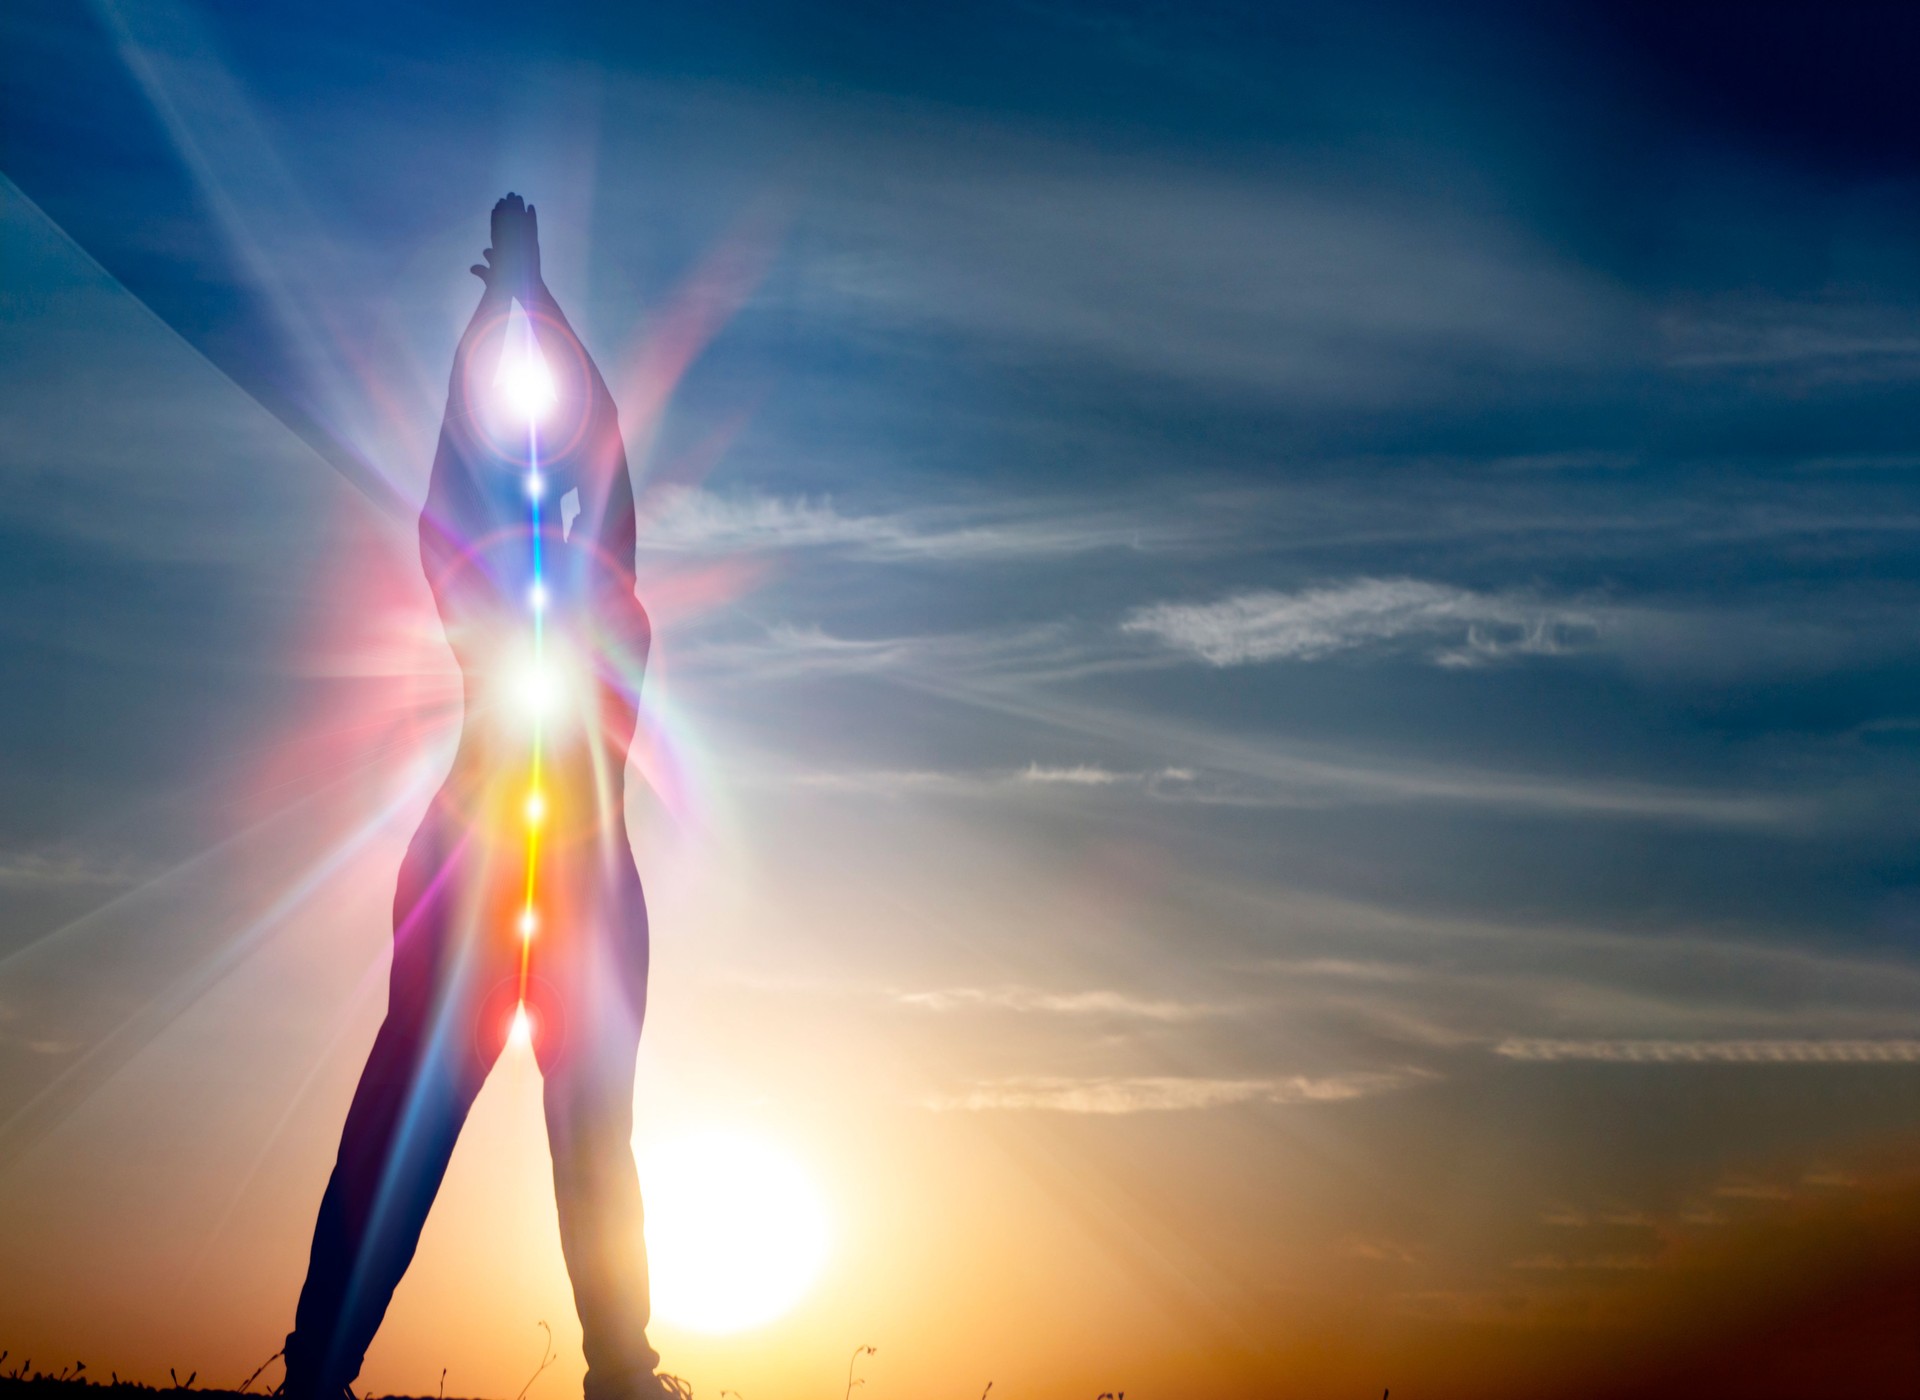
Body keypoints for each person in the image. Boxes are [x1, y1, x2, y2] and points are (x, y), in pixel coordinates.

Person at [281, 194, 682, 1400]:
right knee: (439, 1103)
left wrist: (515, 302)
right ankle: (330, 1366)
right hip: (507, 877)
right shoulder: (564, 602)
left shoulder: (564, 604)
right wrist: (525, 302)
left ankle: (607, 1367)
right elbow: (554, 451)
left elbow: (512, 458)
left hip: (555, 882)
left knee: (560, 1119)